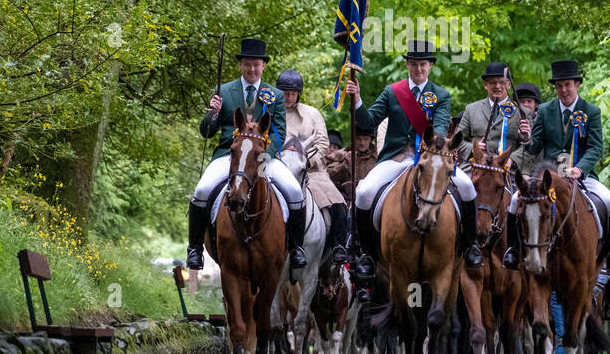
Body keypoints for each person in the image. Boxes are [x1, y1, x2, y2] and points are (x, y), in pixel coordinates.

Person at [343, 39, 481, 268]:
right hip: (396, 158)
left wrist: (432, 146)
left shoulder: (441, 95)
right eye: (414, 64)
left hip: (430, 159)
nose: (418, 69)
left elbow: (438, 129)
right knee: (365, 192)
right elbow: (368, 122)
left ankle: (469, 246)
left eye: (423, 64)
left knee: (466, 187)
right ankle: (365, 253)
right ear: (408, 64)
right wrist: (357, 100)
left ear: (430, 66)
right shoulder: (392, 91)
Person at [187, 38, 307, 273]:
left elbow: (279, 132)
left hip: (264, 157)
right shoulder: (224, 91)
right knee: (202, 190)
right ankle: (194, 249)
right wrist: (213, 113)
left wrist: (265, 156)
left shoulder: (275, 95)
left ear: (263, 66)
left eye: (256, 65)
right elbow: (206, 132)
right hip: (228, 155)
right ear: (241, 65)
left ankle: (297, 248)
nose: (252, 69)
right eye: (247, 64)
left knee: (293, 191)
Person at [505, 60, 610, 274]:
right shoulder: (544, 110)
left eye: (567, 84)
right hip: (549, 177)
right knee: (515, 200)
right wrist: (526, 138)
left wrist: (580, 168)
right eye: (559, 86)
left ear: (577, 84)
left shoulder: (591, 111)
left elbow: (596, 147)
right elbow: (535, 147)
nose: (563, 90)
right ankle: (513, 249)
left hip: (580, 175)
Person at [277, 69, 350, 265]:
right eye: (285, 93)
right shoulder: (270, 112)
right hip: (278, 169)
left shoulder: (312, 114)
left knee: (337, 202)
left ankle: (338, 246)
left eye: (293, 93)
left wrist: (308, 160)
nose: (289, 97)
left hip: (311, 169)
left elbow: (322, 143)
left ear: (299, 93)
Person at [453, 62, 531, 168]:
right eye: (493, 82)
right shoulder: (471, 109)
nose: (497, 86)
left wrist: (512, 159)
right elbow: (457, 140)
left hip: (508, 169)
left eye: (502, 82)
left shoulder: (523, 112)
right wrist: (473, 149)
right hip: (475, 167)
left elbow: (532, 145)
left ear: (509, 85)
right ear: (486, 85)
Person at [510, 81, 543, 176]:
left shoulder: (542, 121)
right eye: (521, 101)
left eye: (529, 101)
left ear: (536, 104)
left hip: (539, 171)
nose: (525, 105)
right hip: (516, 171)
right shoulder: (511, 121)